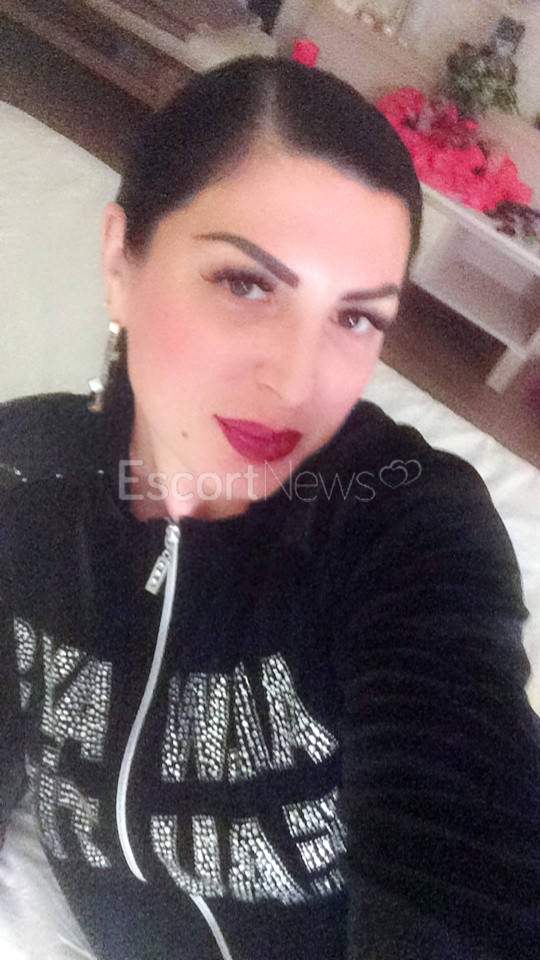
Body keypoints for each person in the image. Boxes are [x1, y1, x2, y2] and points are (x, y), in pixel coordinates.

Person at [0, 56, 538, 960]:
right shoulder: (21, 481)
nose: (296, 383)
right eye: (246, 283)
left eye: (356, 318)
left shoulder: (404, 522)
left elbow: (466, 860)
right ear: (121, 259)